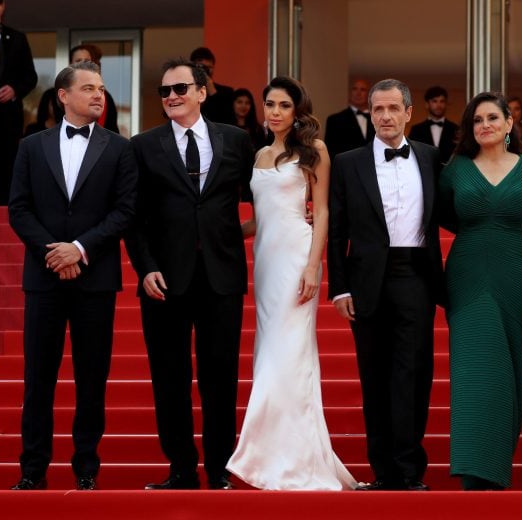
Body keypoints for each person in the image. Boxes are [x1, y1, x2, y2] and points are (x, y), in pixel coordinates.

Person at [125, 58, 253, 490]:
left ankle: (220, 468)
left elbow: (264, 191)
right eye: (165, 91)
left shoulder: (236, 140)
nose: (172, 96)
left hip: (221, 277)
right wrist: (145, 268)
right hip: (164, 280)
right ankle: (181, 468)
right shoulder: (143, 145)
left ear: (202, 91)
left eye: (181, 88)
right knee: (169, 377)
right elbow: (134, 216)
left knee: (221, 377)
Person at [7, 61, 137, 491]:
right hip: (44, 279)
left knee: (91, 378)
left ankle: (86, 468)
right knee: (37, 379)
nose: (100, 95)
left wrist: (79, 249)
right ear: (63, 96)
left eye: (101, 89)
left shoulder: (119, 148)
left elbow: (124, 211)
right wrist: (54, 253)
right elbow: (19, 208)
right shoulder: (32, 145)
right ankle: (33, 470)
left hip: (95, 279)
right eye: (89, 89)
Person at [226, 76, 355, 490]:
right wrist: (216, 231)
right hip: (265, 261)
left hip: (297, 257)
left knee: (287, 354)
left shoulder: (314, 150)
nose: (275, 111)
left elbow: (323, 212)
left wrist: (314, 267)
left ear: (298, 110)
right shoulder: (260, 153)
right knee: (271, 353)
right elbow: (261, 218)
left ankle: (270, 458)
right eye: (270, 104)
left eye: (284, 105)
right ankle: (280, 454)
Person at [327, 78, 444, 491]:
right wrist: (339, 288)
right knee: (373, 377)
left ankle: (411, 471)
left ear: (409, 112)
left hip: (416, 276)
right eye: (378, 109)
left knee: (414, 375)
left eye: (393, 108)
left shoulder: (431, 158)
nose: (385, 116)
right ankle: (383, 472)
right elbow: (337, 230)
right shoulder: (347, 162)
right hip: (366, 281)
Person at [438, 91, 522, 490]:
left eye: (491, 118)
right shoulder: (455, 170)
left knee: (509, 367)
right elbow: (443, 215)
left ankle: (496, 462)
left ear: (508, 123)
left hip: (512, 274)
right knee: (473, 371)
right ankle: (474, 471)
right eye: (476, 120)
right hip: (467, 273)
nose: (484, 125)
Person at [0, 0, 37, 205]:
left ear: (4, 6)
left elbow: (31, 77)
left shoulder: (18, 38)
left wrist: (14, 90)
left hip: (8, 121)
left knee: (7, 171)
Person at [35, 44, 120, 135]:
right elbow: (41, 129)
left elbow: (112, 132)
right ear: (70, 65)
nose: (82, 65)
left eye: (87, 61)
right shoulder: (51, 95)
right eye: (78, 61)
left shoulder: (104, 97)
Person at [324, 78, 375, 159]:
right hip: (346, 169)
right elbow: (330, 152)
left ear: (369, 95)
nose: (358, 93)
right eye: (355, 89)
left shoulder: (377, 119)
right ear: (350, 93)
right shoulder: (334, 120)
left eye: (363, 89)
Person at [408, 85, 460, 164]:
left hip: (450, 173)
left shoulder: (456, 129)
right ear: (427, 104)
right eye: (434, 101)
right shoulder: (416, 130)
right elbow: (411, 155)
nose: (439, 105)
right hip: (424, 174)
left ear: (446, 104)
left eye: (442, 101)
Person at [190, 46, 235, 125]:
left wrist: (213, 92)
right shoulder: (185, 90)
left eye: (209, 67)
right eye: (202, 67)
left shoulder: (227, 93)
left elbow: (227, 120)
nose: (206, 70)